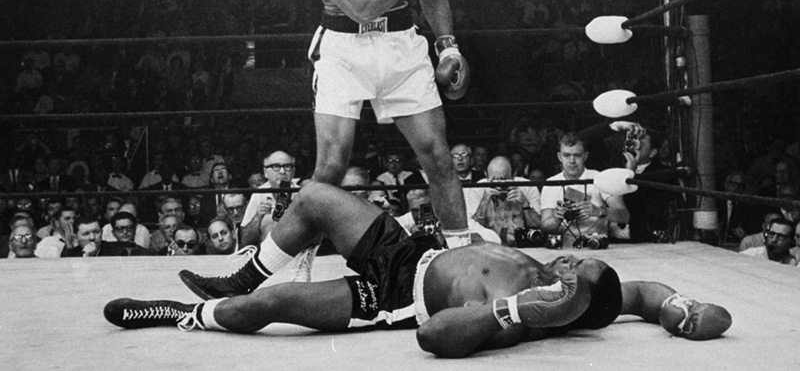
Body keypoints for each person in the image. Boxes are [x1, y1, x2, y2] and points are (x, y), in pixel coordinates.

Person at [105, 180, 731, 357]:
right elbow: (644, 294)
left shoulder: (526, 317)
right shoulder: (588, 290)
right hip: (408, 250)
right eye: (574, 257)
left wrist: (516, 309)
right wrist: (686, 310)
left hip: (395, 297)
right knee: (317, 197)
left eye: (573, 270)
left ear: (572, 303)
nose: (565, 258)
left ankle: (183, 314)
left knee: (266, 309)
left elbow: (432, 337)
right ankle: (239, 274)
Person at [296, 0, 471, 249]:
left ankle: (460, 256)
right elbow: (361, 8)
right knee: (330, 167)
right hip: (343, 47)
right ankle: (299, 263)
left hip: (400, 42)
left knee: (437, 156)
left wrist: (447, 46)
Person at [540, 132, 629, 248]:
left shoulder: (601, 179)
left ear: (585, 156)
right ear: (559, 157)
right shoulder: (550, 183)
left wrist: (599, 211)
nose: (572, 161)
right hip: (562, 249)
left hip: (596, 247)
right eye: (566, 155)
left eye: (577, 155)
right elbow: (545, 227)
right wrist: (557, 217)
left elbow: (624, 215)